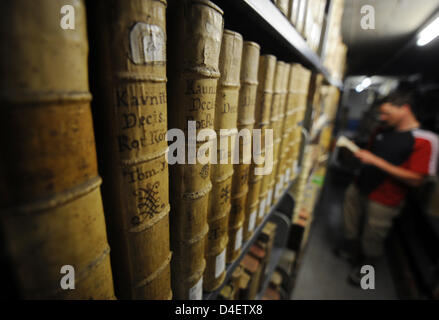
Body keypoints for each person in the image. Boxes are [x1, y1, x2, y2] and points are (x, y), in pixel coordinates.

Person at [335, 90, 439, 286]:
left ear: (404, 109)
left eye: (387, 113)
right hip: (360, 186)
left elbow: (417, 179)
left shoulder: (425, 140)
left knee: (372, 239)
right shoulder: (382, 130)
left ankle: (366, 276)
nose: (382, 118)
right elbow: (371, 155)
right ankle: (353, 254)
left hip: (385, 198)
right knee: (351, 226)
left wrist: (375, 161)